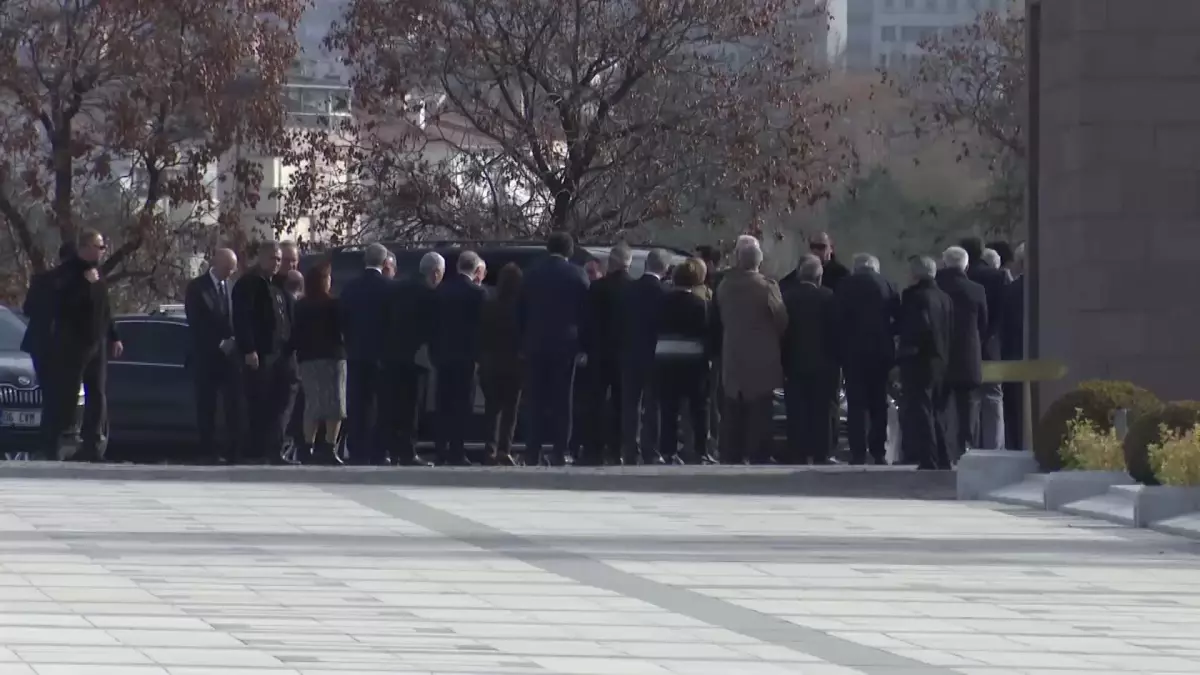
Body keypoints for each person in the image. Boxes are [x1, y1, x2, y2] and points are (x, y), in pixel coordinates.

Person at [38, 230, 121, 461]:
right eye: (99, 246)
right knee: (67, 394)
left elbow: (104, 308)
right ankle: (58, 441)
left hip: (97, 342)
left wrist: (114, 335)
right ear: (85, 247)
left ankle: (92, 444)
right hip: (74, 343)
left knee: (98, 394)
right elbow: (63, 305)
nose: (103, 251)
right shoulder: (69, 273)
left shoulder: (98, 272)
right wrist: (84, 284)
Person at [519, 232, 589, 466]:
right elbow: (585, 314)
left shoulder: (531, 273)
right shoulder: (578, 275)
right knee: (563, 400)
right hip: (565, 345)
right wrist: (582, 345)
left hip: (535, 343)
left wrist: (522, 340)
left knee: (535, 399)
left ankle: (532, 450)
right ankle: (560, 450)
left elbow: (520, 310)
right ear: (569, 250)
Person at [716, 239, 787, 464]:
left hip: (732, 353)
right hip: (761, 356)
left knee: (732, 408)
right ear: (760, 262)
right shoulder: (767, 287)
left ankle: (730, 453)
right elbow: (781, 319)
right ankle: (757, 453)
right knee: (759, 410)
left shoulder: (725, 286)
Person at [835, 253, 900, 465]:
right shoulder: (888, 284)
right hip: (881, 351)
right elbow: (896, 318)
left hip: (853, 352)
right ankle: (878, 450)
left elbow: (837, 318)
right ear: (876, 268)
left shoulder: (845, 285)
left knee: (856, 404)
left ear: (856, 268)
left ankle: (858, 452)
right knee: (879, 403)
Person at [232, 241, 294, 464]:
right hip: (260, 354)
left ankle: (274, 449)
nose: (276, 264)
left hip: (280, 355)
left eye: (279, 260)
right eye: (273, 259)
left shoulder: (278, 287)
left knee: (280, 403)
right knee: (258, 403)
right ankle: (253, 451)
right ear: (261, 258)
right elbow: (242, 319)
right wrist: (249, 348)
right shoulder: (249, 284)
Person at [381, 251, 443, 466]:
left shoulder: (397, 288)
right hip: (416, 358)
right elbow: (432, 328)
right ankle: (408, 450)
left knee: (394, 405)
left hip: (392, 355)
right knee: (412, 407)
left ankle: (393, 450)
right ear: (435, 273)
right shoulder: (428, 293)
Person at [183, 248, 243, 464]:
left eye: (233, 268)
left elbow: (236, 318)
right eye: (228, 268)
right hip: (206, 356)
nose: (230, 272)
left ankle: (232, 450)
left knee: (232, 405)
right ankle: (207, 450)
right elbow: (197, 322)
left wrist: (235, 340)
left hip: (229, 358)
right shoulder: (197, 288)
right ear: (216, 264)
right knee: (206, 406)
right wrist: (219, 343)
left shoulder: (232, 287)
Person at [949, 236, 1009, 450]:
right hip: (992, 344)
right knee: (993, 397)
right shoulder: (999, 276)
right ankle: (995, 446)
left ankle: (967, 446)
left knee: (968, 399)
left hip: (964, 346)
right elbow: (1003, 313)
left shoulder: (960, 279)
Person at [780, 254, 840, 465]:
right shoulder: (829, 297)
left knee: (797, 409)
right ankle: (822, 452)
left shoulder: (787, 297)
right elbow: (836, 332)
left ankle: (797, 451)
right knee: (823, 410)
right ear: (819, 277)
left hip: (794, 362)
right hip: (825, 363)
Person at [339, 243, 394, 465]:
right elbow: (393, 323)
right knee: (379, 405)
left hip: (355, 353)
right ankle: (377, 450)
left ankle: (357, 449)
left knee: (357, 403)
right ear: (384, 262)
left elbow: (342, 320)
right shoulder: (389, 288)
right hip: (381, 356)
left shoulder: (350, 288)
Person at [430, 250, 487, 465]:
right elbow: (481, 329)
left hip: (443, 356)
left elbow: (433, 326)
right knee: (462, 406)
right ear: (475, 270)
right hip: (466, 357)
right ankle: (457, 449)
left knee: (443, 405)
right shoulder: (478, 294)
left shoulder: (441, 291)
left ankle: (440, 450)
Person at [655, 258, 713, 464]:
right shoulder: (701, 305)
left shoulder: (661, 302)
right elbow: (707, 333)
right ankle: (700, 449)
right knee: (699, 407)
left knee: (669, 407)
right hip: (693, 361)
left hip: (665, 358)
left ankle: (667, 450)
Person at [581, 243, 634, 465]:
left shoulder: (597, 288)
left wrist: (585, 348)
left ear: (611, 263)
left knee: (596, 402)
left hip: (599, 352)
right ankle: (618, 449)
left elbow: (588, 322)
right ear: (628, 264)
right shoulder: (634, 288)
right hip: (624, 353)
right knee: (622, 403)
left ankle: (593, 449)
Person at [898, 256, 953, 469]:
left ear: (916, 274)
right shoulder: (944, 297)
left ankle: (928, 458)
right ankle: (944, 456)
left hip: (920, 360)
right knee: (939, 411)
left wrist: (904, 353)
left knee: (922, 411)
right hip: (942, 359)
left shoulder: (914, 297)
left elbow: (915, 329)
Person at [292, 259, 346, 465]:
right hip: (332, 357)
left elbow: (296, 332)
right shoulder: (333, 304)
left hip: (308, 358)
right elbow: (342, 330)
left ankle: (307, 447)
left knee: (312, 403)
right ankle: (329, 447)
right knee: (335, 405)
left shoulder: (301, 306)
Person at [937, 245, 988, 461]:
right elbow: (984, 324)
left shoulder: (936, 286)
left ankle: (940, 450)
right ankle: (966, 448)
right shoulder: (976, 289)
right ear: (966, 264)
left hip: (939, 354)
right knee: (967, 407)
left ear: (944, 262)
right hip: (968, 354)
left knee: (938, 405)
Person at [619, 248, 669, 465]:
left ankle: (629, 448)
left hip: (629, 353)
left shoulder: (629, 290)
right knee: (652, 405)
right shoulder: (663, 293)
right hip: (654, 354)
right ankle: (651, 449)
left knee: (630, 404)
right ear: (665, 268)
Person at [477, 262, 523, 466]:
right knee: (511, 409)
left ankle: (490, 449)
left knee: (492, 408)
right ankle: (505, 449)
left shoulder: (488, 304)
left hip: (490, 362)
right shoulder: (520, 308)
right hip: (514, 363)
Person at [21, 242, 77, 385]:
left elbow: (27, 309)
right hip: (64, 344)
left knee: (46, 387)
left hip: (38, 342)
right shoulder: (78, 282)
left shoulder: (41, 280)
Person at [1000, 242, 1026, 449]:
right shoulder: (1054, 289)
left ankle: (1015, 445)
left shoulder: (1010, 291)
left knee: (1014, 411)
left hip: (1012, 356)